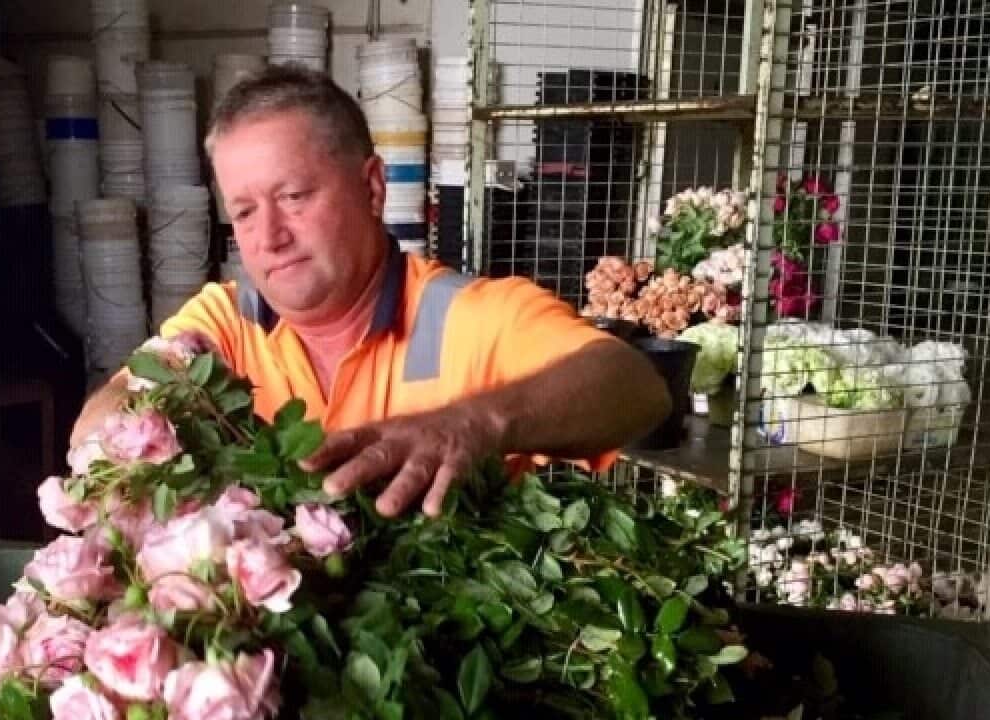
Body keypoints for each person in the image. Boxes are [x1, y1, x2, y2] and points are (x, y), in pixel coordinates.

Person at [72, 64, 670, 519]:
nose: (270, 238)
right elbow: (94, 430)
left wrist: (474, 422)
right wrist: (137, 418)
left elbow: (637, 388)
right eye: (245, 212)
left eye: (293, 197)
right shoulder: (225, 324)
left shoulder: (464, 318)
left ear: (374, 188)